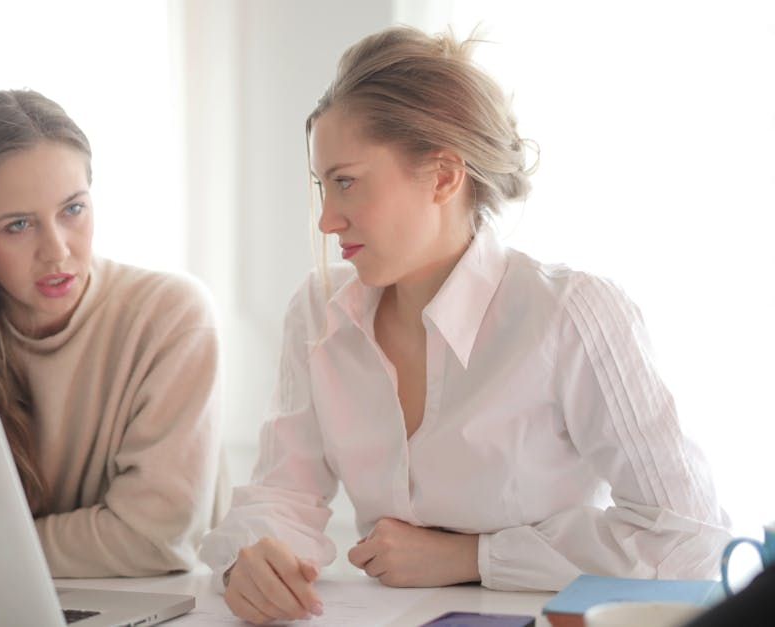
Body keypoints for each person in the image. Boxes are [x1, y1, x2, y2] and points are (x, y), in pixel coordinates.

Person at [200, 26, 731, 623]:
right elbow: (283, 492)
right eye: (323, 187)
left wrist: (475, 557)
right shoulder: (318, 310)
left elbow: (691, 538)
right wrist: (252, 558)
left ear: (445, 176)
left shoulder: (571, 314)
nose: (326, 219)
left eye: (346, 181)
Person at [0, 89, 227, 577]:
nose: (57, 252)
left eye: (73, 210)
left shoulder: (172, 316)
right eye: (19, 225)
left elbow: (156, 540)